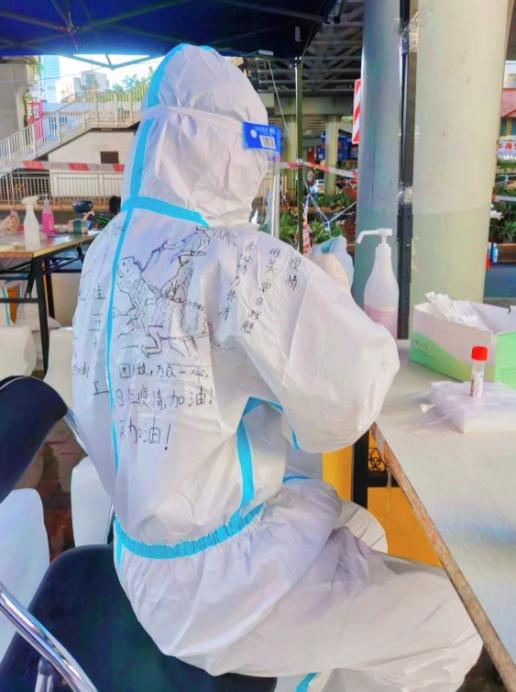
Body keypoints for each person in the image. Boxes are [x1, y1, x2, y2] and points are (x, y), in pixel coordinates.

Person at [72, 45, 481, 691]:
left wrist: (293, 303)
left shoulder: (108, 248)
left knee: (361, 526)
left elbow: (197, 368)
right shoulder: (227, 256)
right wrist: (327, 291)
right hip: (214, 586)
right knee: (452, 622)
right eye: (255, 146)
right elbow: (347, 396)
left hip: (144, 554)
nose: (261, 169)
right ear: (223, 148)